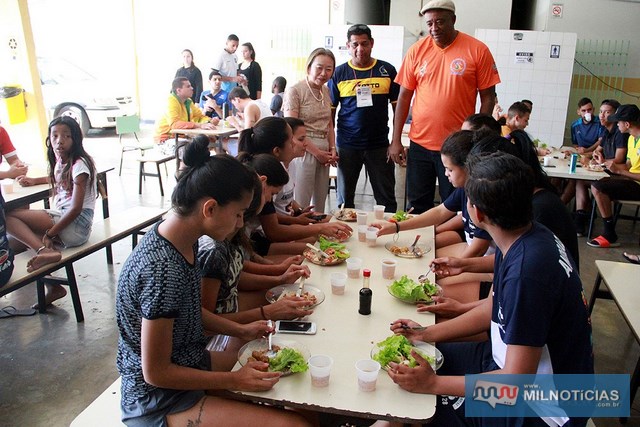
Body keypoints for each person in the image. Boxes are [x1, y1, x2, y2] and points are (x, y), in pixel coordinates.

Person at [388, 151, 593, 427]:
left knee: (412, 408)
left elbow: (517, 382)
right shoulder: (525, 237)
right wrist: (424, 333)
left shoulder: (527, 274)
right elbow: (493, 309)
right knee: (411, 359)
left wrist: (434, 384)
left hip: (543, 406)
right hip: (500, 361)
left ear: (477, 212)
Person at [115, 142, 311, 426]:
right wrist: (233, 378)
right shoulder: (162, 271)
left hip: (191, 360)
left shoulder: (184, 242)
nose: (240, 223)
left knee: (299, 395)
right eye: (238, 213)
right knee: (294, 424)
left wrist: (240, 328)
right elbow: (155, 372)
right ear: (209, 208)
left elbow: (190, 312)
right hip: (157, 398)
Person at [388, 0, 500, 214]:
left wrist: (477, 138)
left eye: (440, 22)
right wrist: (395, 141)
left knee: (456, 205)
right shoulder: (416, 50)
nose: (434, 28)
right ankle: (415, 247)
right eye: (429, 23)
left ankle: (454, 245)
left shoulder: (477, 50)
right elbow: (403, 97)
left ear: (453, 20)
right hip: (420, 143)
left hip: (458, 146)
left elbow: (488, 96)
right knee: (417, 205)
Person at [6, 116, 97, 307]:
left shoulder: (79, 164)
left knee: (7, 217)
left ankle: (43, 250)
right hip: (71, 224)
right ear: (49, 138)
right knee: (19, 240)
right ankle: (54, 286)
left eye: (66, 136)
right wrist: (34, 180)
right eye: (54, 136)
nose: (59, 141)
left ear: (75, 140)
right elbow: (59, 181)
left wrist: (50, 233)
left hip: (76, 224)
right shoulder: (62, 161)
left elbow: (75, 208)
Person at [328, 24, 399, 212]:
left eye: (364, 44)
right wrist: (332, 146)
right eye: (355, 44)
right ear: (348, 46)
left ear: (372, 43)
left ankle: (389, 236)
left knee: (386, 200)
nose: (360, 49)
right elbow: (330, 113)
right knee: (344, 202)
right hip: (347, 146)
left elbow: (398, 110)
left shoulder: (387, 70)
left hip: (379, 146)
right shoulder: (338, 73)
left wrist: (395, 142)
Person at [284, 48, 338, 214]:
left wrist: (332, 150)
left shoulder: (325, 90)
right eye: (319, 68)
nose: (323, 73)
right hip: (303, 149)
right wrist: (317, 152)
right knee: (302, 201)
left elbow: (329, 123)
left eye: (329, 69)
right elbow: (291, 129)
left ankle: (319, 236)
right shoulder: (295, 90)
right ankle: (299, 236)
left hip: (324, 151)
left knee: (320, 201)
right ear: (309, 68)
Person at [588, 104, 640, 248]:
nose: (617, 124)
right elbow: (628, 166)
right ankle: (608, 231)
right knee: (599, 182)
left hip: (636, 184)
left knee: (598, 187)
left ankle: (609, 233)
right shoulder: (631, 139)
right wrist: (604, 163)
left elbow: (624, 170)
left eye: (618, 122)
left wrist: (619, 172)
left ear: (627, 124)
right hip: (630, 179)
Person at [573, 99, 626, 236]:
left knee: (596, 185)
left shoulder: (619, 133)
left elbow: (619, 158)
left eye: (607, 112)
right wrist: (587, 155)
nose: (602, 115)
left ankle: (608, 231)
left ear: (615, 116)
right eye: (601, 112)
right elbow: (598, 151)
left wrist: (601, 162)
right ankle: (580, 218)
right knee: (579, 180)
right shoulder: (606, 131)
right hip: (606, 170)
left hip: (617, 174)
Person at [154, 77, 219, 143]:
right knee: (198, 145)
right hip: (165, 138)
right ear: (178, 90)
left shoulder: (188, 101)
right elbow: (174, 124)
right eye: (188, 86)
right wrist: (200, 125)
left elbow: (200, 117)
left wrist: (209, 121)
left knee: (212, 139)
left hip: (181, 136)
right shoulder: (170, 101)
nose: (192, 88)